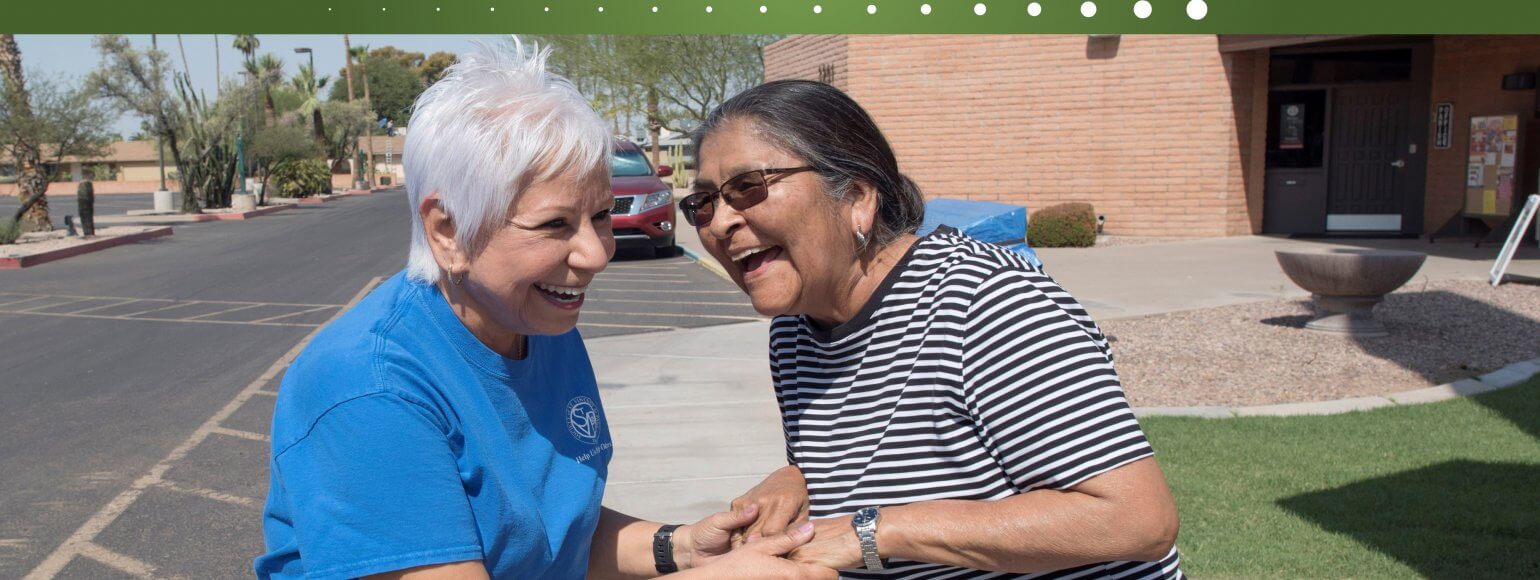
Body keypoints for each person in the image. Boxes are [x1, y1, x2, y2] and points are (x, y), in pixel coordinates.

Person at [254, 44, 834, 580]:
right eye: (555, 225)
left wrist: (682, 548)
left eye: (601, 216)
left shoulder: (533, 319)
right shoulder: (370, 389)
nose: (596, 254)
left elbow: (549, 535)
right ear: (448, 231)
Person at [684, 80, 1184, 578]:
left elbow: (1137, 520)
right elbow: (884, 465)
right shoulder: (795, 329)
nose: (720, 222)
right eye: (704, 202)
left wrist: (874, 533)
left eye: (748, 186)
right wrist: (795, 480)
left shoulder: (985, 303)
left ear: (857, 196)